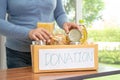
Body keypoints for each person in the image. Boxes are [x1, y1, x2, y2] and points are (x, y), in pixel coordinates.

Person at [0, 0, 81, 68]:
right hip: (19, 54)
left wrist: (65, 23)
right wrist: (28, 33)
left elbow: (59, 13)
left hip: (48, 53)